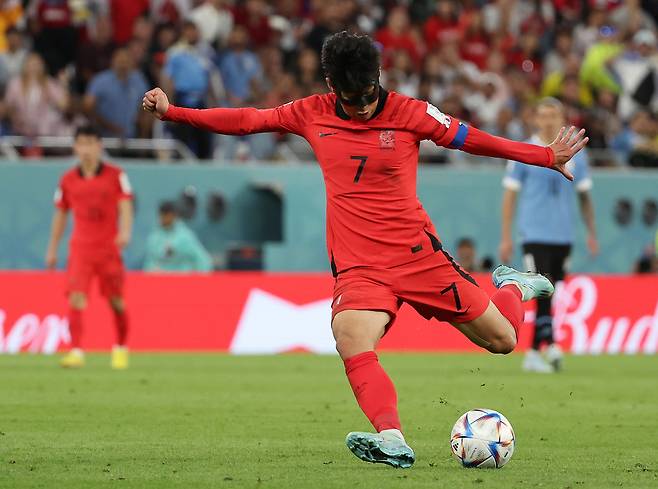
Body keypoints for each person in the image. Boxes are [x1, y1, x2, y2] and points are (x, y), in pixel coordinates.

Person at [142, 31, 588, 469]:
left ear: (379, 77)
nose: (364, 106)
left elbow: (473, 138)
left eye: (369, 94)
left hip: (418, 256)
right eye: (353, 99)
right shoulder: (309, 113)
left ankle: (512, 286)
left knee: (503, 341)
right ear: (332, 87)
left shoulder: (411, 112)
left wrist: (543, 156)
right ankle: (392, 437)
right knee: (350, 336)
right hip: (359, 267)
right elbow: (246, 120)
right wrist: (175, 112)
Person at [499, 97, 598, 374]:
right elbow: (510, 196)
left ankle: (533, 352)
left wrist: (591, 232)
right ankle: (550, 346)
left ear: (562, 118)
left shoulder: (578, 153)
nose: (548, 120)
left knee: (551, 292)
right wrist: (506, 236)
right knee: (543, 290)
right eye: (543, 115)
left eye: (553, 115)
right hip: (534, 233)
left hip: (563, 235)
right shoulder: (525, 151)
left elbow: (585, 197)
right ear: (535, 119)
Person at [45, 125, 134, 370]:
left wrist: (125, 232)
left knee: (116, 301)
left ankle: (120, 347)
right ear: (75, 147)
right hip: (81, 248)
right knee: (76, 298)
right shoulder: (67, 180)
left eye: (90, 143)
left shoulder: (117, 175)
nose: (86, 149)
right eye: (81, 143)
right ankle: (76, 351)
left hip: (108, 248)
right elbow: (61, 214)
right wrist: (52, 248)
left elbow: (125, 205)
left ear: (99, 146)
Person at [143, 201, 213, 272]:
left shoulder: (184, 236)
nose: (164, 218)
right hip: (160, 280)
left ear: (173, 215)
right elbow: (149, 262)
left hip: (182, 280)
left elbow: (203, 259)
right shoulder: (154, 237)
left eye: (167, 215)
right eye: (162, 215)